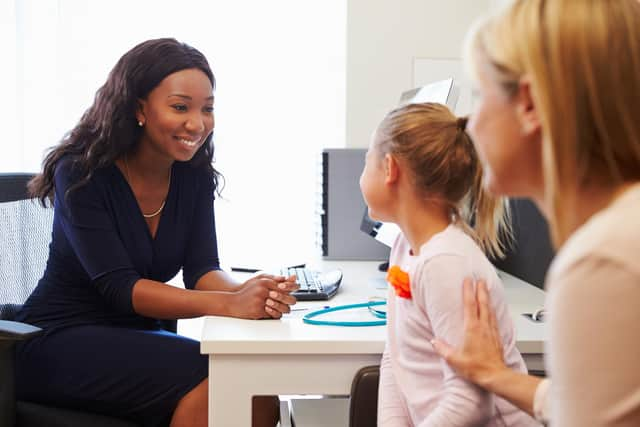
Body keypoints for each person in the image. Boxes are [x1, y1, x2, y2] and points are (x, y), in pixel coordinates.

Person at [14, 38, 298, 427]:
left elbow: (201, 269)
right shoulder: (81, 172)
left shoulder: (191, 171)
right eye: (180, 107)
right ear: (138, 108)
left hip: (136, 337)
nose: (197, 124)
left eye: (207, 109)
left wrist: (253, 292)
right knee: (223, 382)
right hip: (60, 339)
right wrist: (230, 304)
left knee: (256, 389)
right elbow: (121, 287)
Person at [431, 1, 640, 426]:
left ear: (528, 104)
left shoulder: (604, 261)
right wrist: (493, 373)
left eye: (482, 96)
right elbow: (597, 401)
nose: (470, 126)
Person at [359, 102, 537, 426]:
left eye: (366, 162)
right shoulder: (405, 246)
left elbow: (471, 404)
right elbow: (395, 356)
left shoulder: (445, 264)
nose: (362, 174)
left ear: (389, 168)